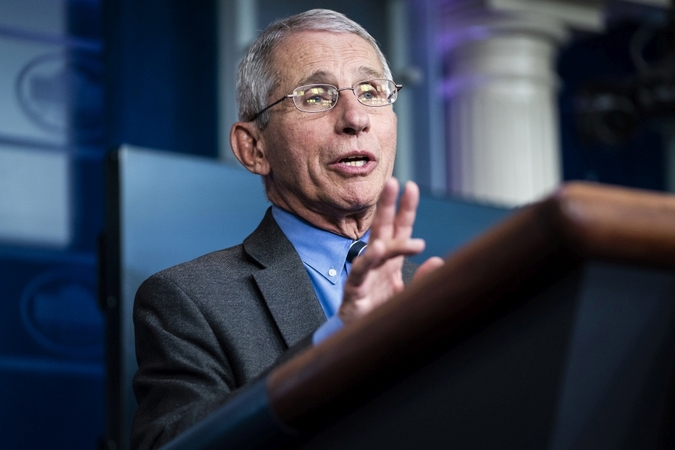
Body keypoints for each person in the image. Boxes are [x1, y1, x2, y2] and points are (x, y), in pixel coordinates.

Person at [131, 8, 443, 450]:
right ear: (254, 147)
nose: (356, 117)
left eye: (372, 91)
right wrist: (336, 343)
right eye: (316, 96)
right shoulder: (188, 300)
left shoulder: (435, 288)